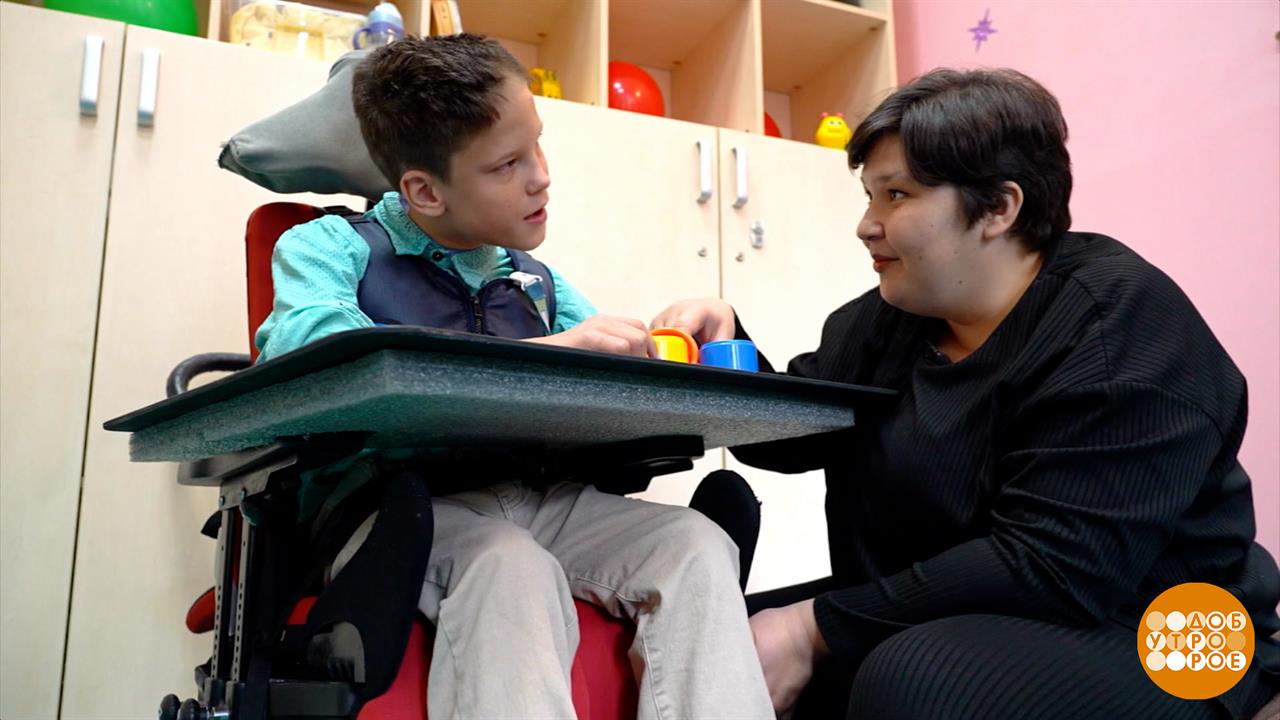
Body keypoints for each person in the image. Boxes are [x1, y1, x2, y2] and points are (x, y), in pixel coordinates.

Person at [651, 68, 1280, 719]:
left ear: (999, 208)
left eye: (896, 195)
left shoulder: (1121, 329)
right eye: (869, 196)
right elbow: (796, 436)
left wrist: (813, 627)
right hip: (966, 611)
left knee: (916, 680)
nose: (866, 225)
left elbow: (1055, 569)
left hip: (1178, 633)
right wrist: (726, 348)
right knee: (707, 640)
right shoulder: (887, 320)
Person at [255, 35, 773, 719]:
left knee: (696, 546)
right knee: (511, 565)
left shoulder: (536, 281)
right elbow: (325, 350)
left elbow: (609, 372)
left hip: (540, 498)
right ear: (424, 190)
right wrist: (553, 349)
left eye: (537, 146)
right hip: (395, 511)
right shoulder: (330, 247)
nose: (540, 177)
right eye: (507, 163)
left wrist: (683, 340)